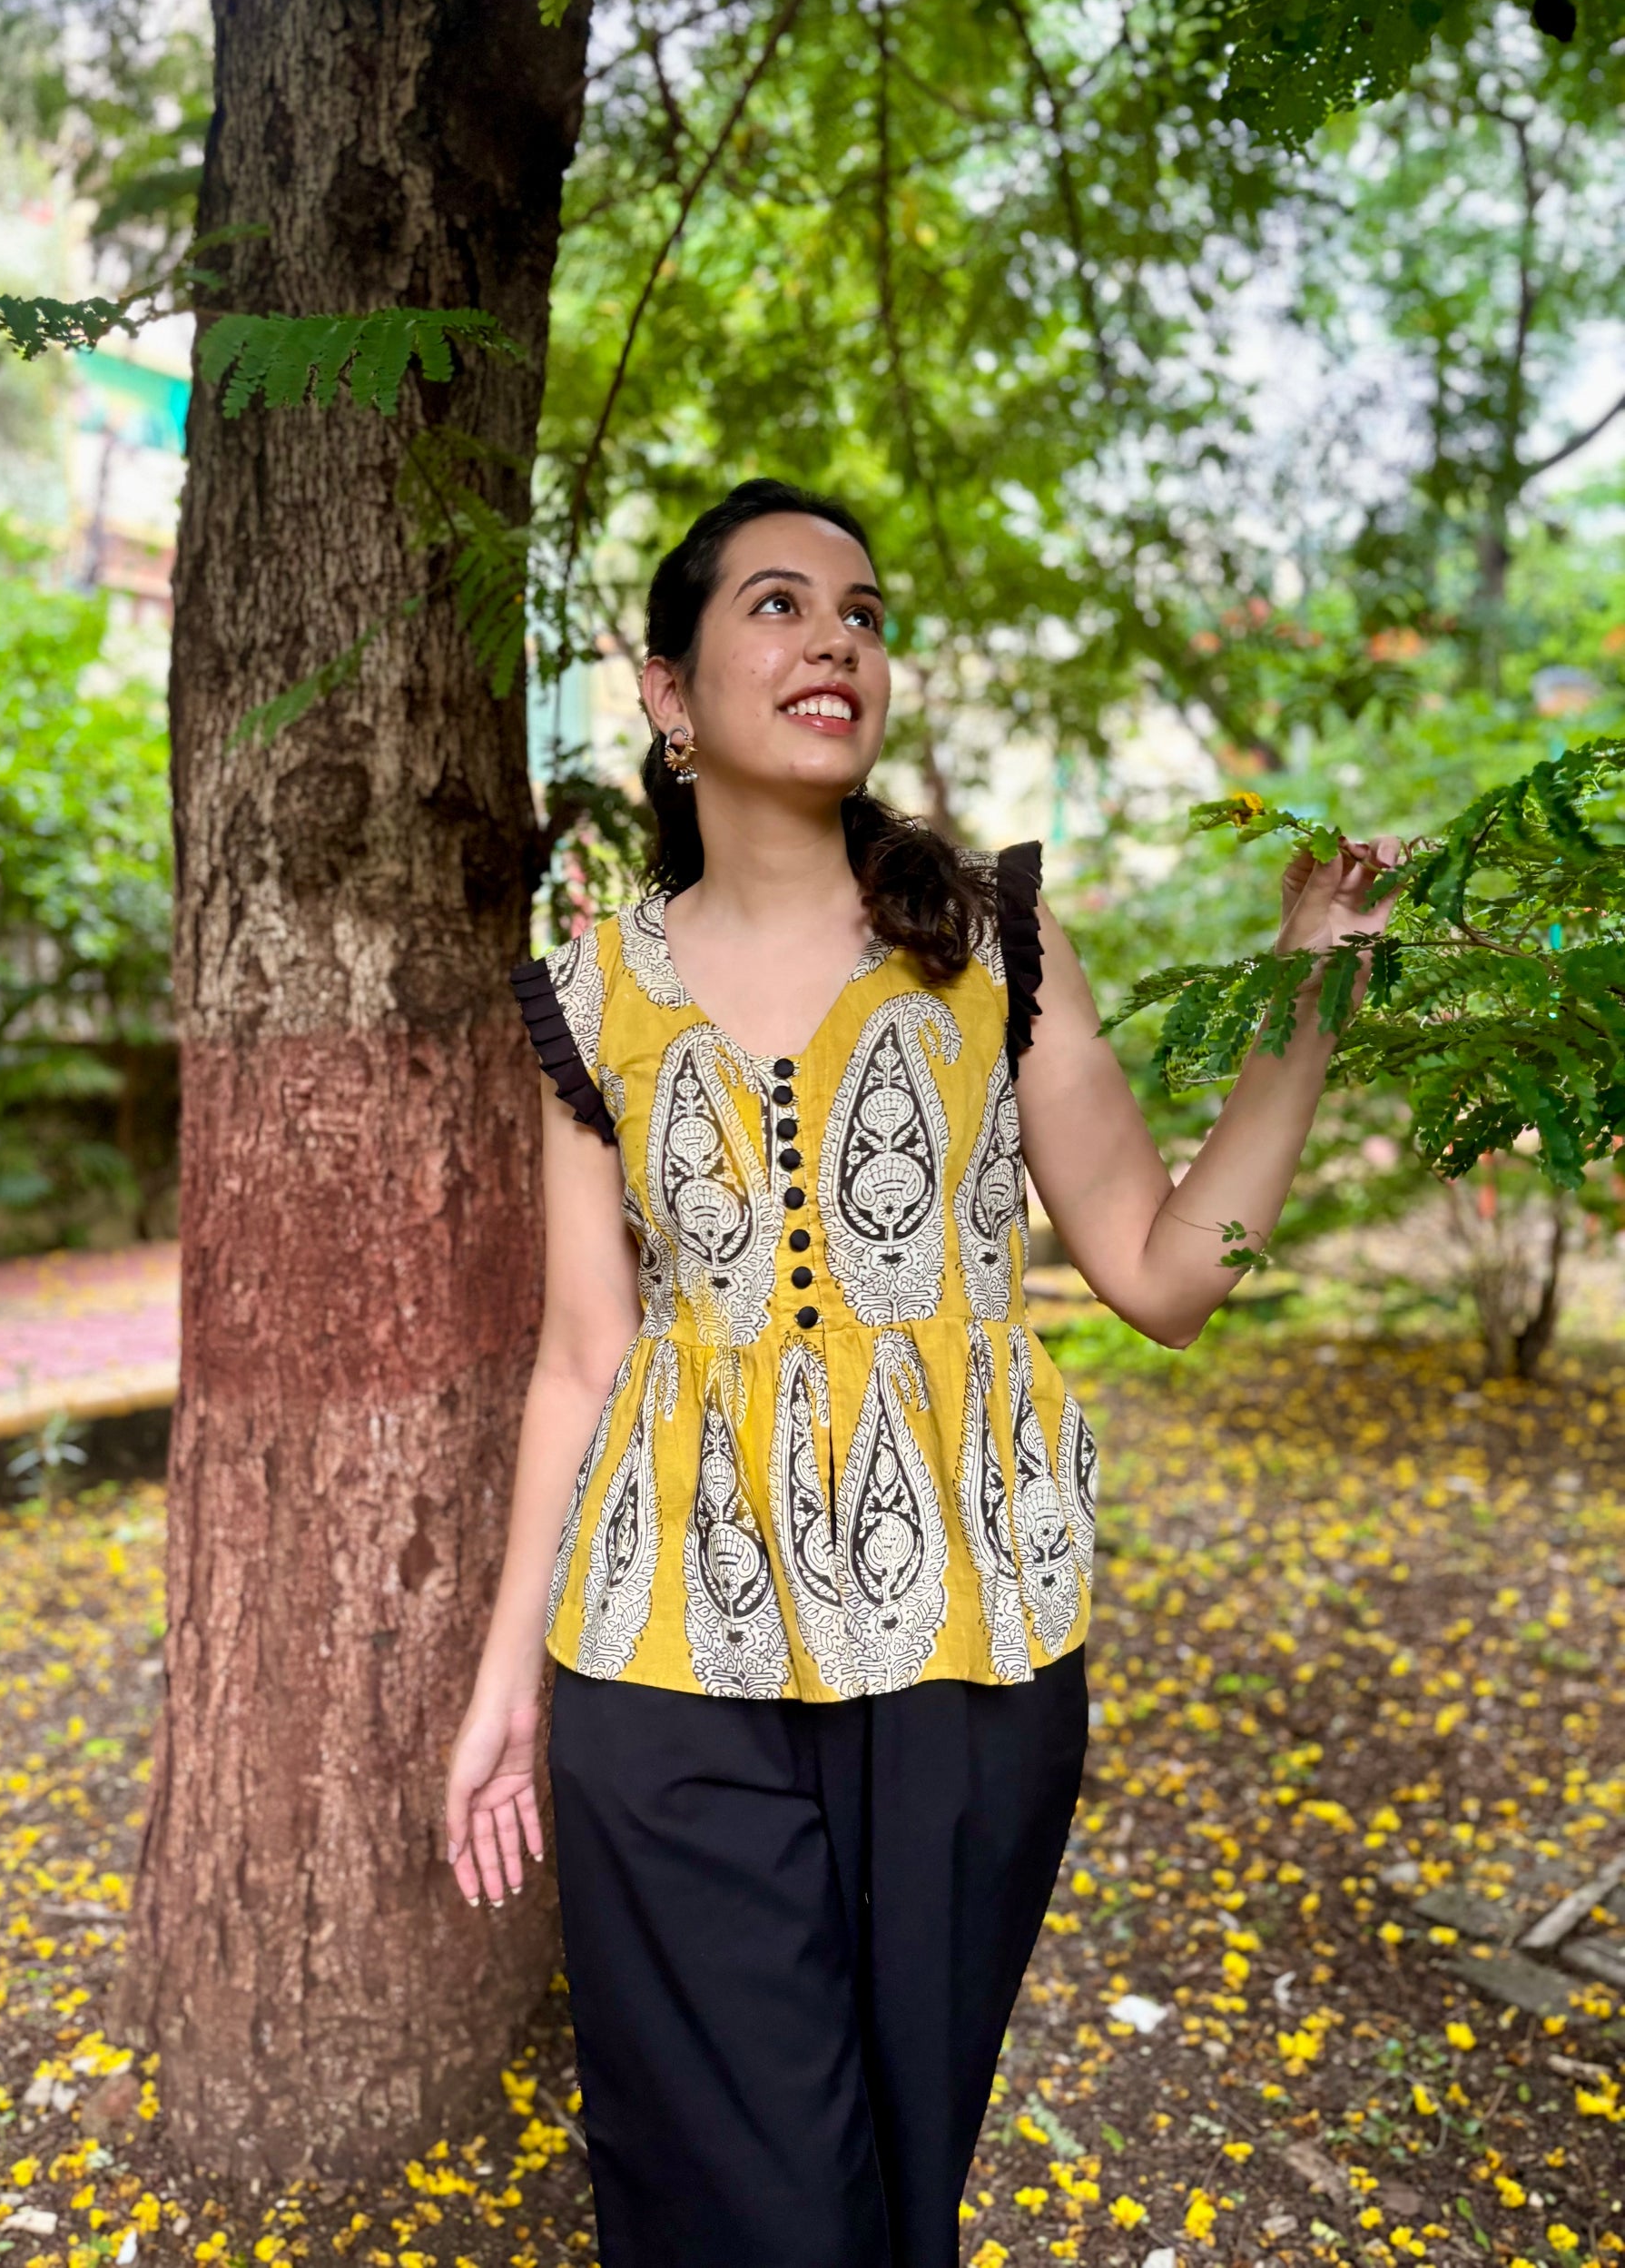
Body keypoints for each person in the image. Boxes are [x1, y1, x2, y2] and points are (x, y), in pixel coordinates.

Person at [442, 478, 1400, 2268]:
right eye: (779, 604)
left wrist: (1306, 1002)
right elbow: (582, 1359)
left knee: (891, 2192)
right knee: (753, 2202)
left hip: (966, 1648)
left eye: (863, 615)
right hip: (656, 1657)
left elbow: (1165, 1273)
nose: (836, 640)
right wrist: (506, 1684)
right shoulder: (588, 995)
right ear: (667, 692)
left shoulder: (992, 943)